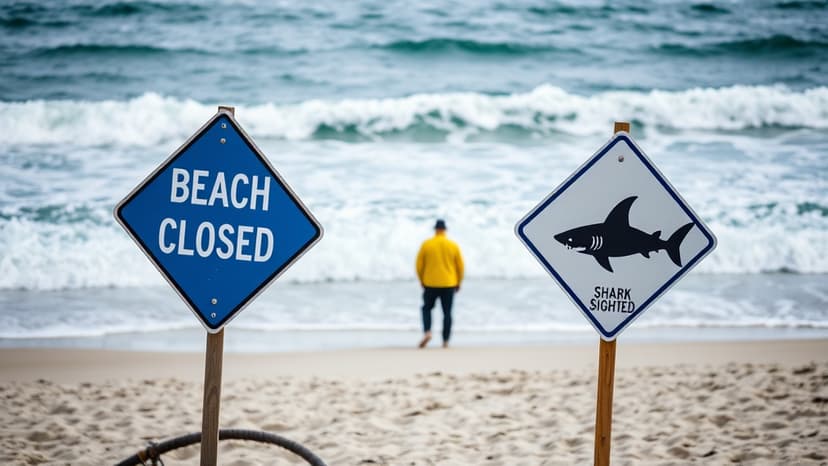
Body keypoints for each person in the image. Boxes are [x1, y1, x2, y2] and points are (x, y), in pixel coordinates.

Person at [415, 219, 464, 348]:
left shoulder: (427, 244)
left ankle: (427, 332)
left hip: (430, 282)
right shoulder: (452, 245)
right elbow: (460, 266)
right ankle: (446, 341)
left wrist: (421, 279)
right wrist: (459, 281)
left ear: (435, 229)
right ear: (445, 230)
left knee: (426, 308)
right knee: (447, 313)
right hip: (449, 283)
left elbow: (419, 265)